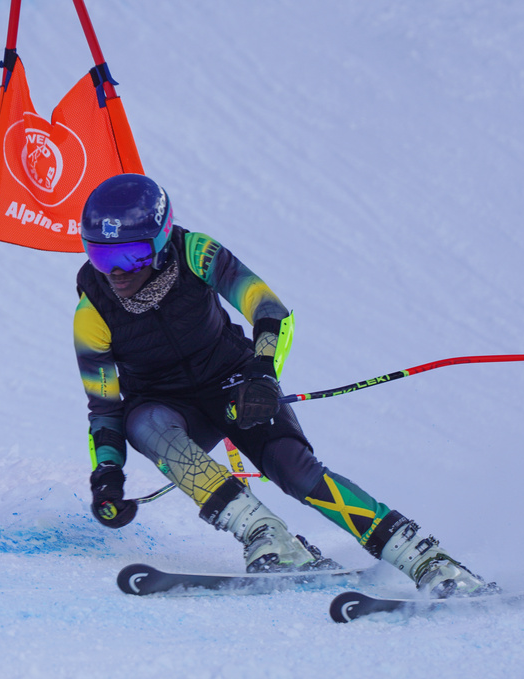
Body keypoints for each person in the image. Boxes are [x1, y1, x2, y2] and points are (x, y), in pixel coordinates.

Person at [73, 173, 493, 597]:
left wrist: (262, 372)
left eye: (129, 256)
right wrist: (107, 472)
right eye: (101, 257)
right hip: (165, 406)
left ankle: (427, 560)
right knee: (139, 422)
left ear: (162, 244)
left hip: (235, 381)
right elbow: (104, 407)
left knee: (294, 469)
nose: (116, 274)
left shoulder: (197, 252)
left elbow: (270, 310)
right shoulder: (92, 314)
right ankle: (264, 533)